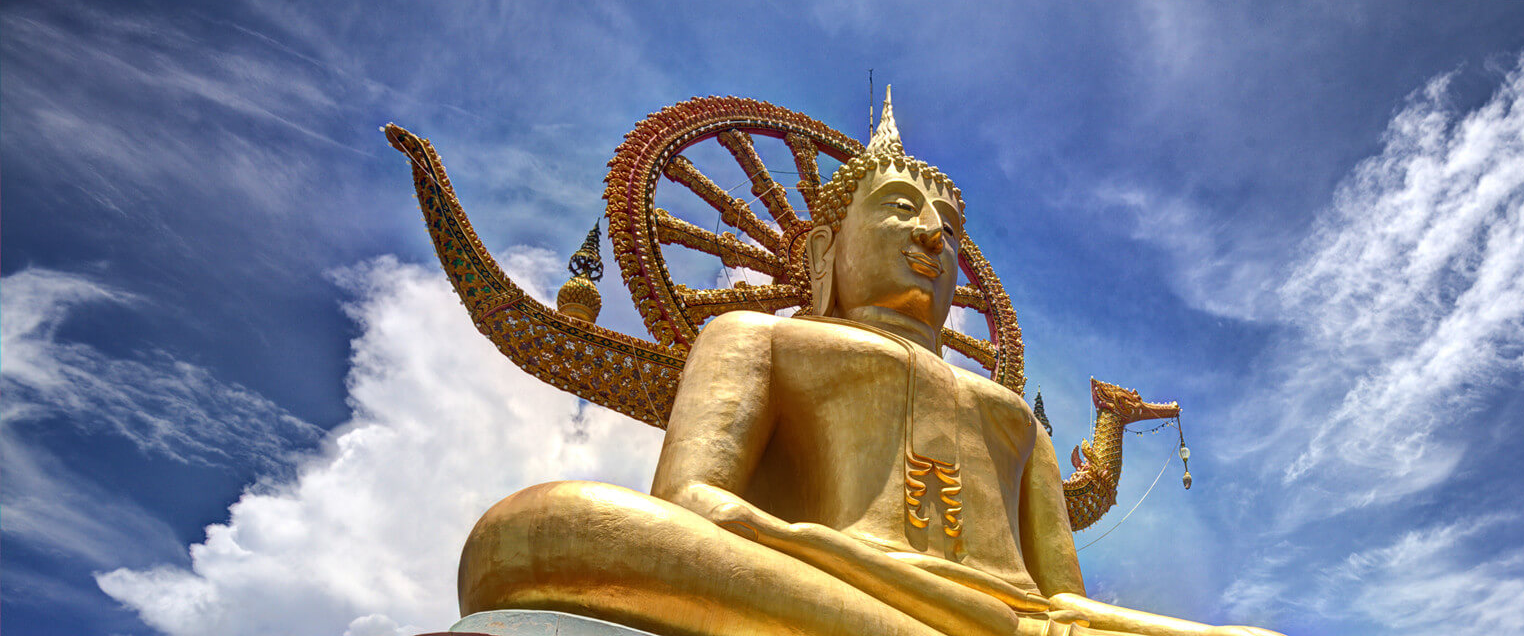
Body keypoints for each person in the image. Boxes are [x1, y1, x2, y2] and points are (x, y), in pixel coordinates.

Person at [456, 91, 1280, 636]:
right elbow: (696, 506)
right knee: (540, 530)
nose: (933, 238)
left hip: (1014, 624)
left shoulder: (1009, 414)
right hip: (845, 595)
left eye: (951, 231)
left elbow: (1065, 601)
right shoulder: (759, 338)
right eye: (899, 211)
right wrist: (840, 556)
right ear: (822, 253)